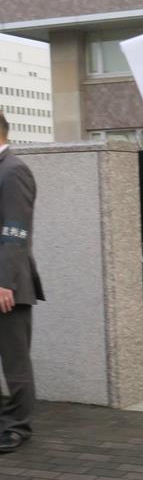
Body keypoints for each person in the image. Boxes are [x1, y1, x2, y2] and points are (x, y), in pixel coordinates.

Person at [0, 111, 44, 453]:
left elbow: (15, 231)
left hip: (6, 286)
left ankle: (17, 427)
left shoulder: (14, 170)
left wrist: (6, 282)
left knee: (15, 360)